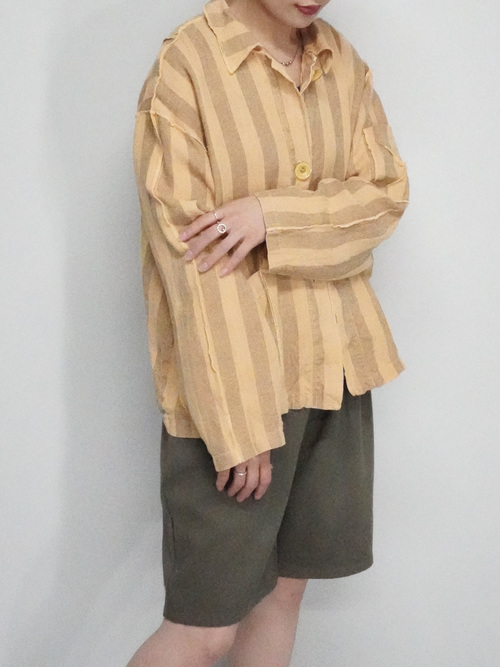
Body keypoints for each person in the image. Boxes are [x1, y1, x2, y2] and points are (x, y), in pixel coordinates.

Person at [129, 0, 409, 664]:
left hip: (335, 370)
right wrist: (239, 423)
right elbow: (193, 265)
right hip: (235, 391)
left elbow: (383, 196)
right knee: (204, 629)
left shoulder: (343, 63)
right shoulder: (188, 66)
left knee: (284, 594)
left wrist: (269, 217)